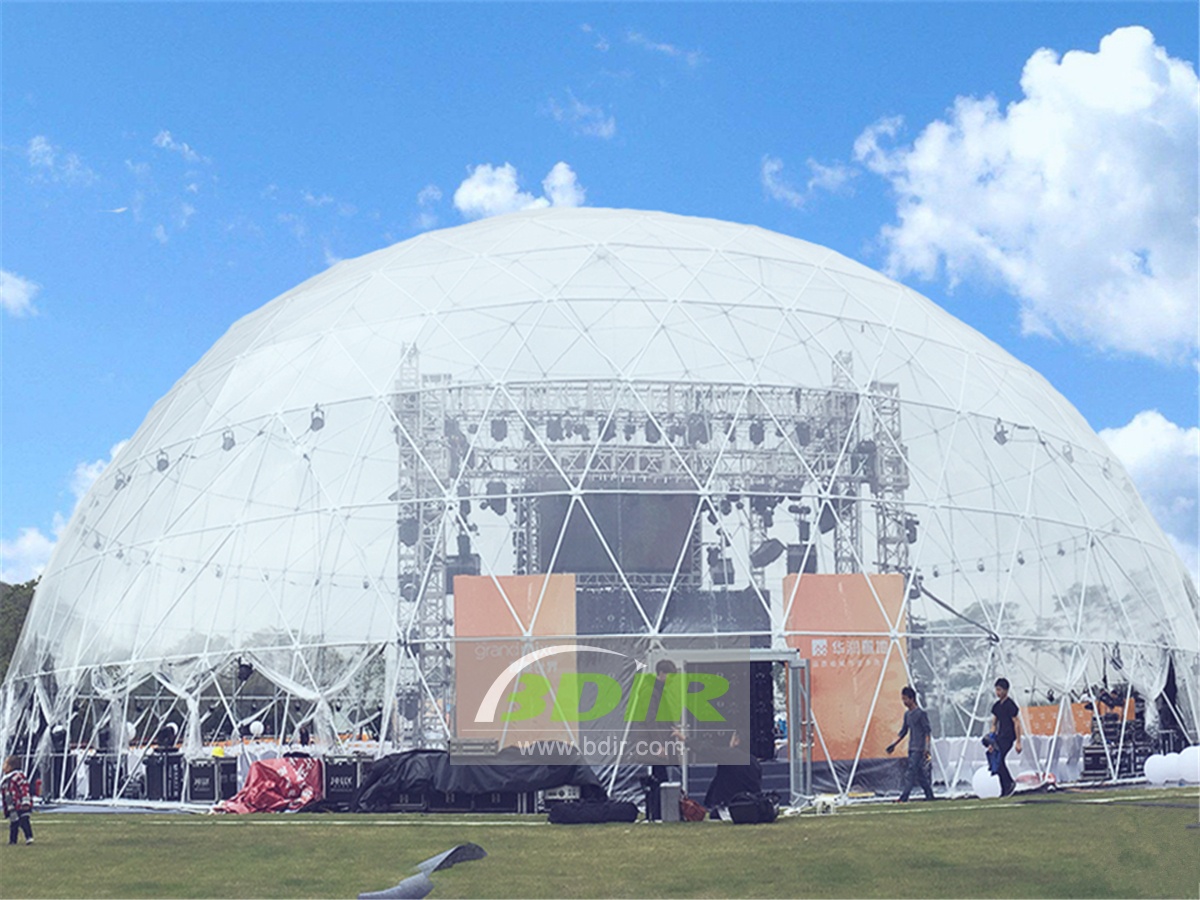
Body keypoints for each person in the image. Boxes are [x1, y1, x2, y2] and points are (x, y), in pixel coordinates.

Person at [886, 686, 935, 802]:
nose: (903, 702)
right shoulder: (907, 715)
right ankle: (930, 796)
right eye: (902, 699)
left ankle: (904, 797)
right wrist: (893, 744)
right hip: (911, 747)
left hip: (919, 748)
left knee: (911, 772)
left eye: (905, 699)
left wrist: (927, 748)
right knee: (920, 774)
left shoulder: (921, 714)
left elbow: (927, 732)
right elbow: (903, 731)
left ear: (912, 699)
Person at [990, 677, 1022, 796]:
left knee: (1000, 759)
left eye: (1000, 690)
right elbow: (994, 723)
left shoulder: (1010, 705)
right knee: (996, 761)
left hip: (1008, 737)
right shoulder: (997, 706)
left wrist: (1018, 741)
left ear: (1006, 690)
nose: (997, 693)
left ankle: (1009, 783)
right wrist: (991, 738)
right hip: (1000, 736)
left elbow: (1017, 723)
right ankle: (1005, 786)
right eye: (996, 690)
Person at [1, 756, 34, 845]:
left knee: (24, 820)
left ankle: (29, 837)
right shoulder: (5, 780)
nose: (3, 766)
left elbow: (24, 789)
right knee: (13, 823)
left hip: (20, 805)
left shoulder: (18, 777)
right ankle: (12, 840)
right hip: (11, 806)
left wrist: (25, 801)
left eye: (5, 764)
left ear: (10, 767)